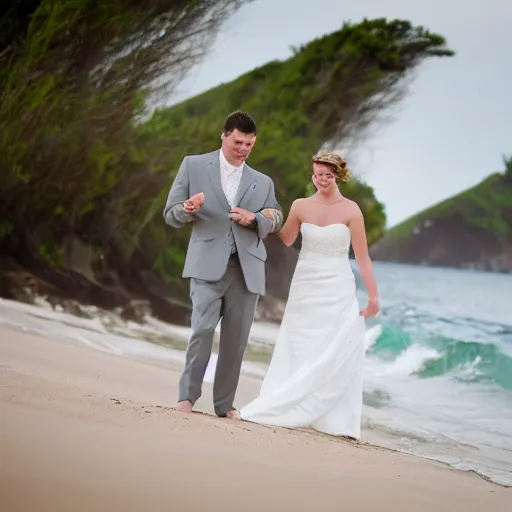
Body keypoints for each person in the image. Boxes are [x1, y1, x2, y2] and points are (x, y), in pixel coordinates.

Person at [240, 151, 380, 439]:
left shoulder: (352, 210)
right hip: (306, 283)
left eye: (328, 176)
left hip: (338, 285)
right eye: (317, 175)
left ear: (338, 176)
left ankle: (332, 417)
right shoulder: (301, 205)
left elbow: (363, 258)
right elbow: (287, 238)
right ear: (312, 175)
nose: (322, 180)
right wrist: (260, 218)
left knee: (336, 341)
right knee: (300, 341)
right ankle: (290, 401)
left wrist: (373, 296)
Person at [163, 111, 283, 420]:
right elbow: (171, 213)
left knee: (236, 341)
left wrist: (254, 219)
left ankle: (224, 405)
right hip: (206, 264)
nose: (244, 149)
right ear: (224, 135)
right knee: (201, 331)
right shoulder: (193, 165)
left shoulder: (262, 181)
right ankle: (186, 398)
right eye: (238, 142)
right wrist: (188, 209)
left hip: (247, 270)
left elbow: (276, 216)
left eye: (250, 144)